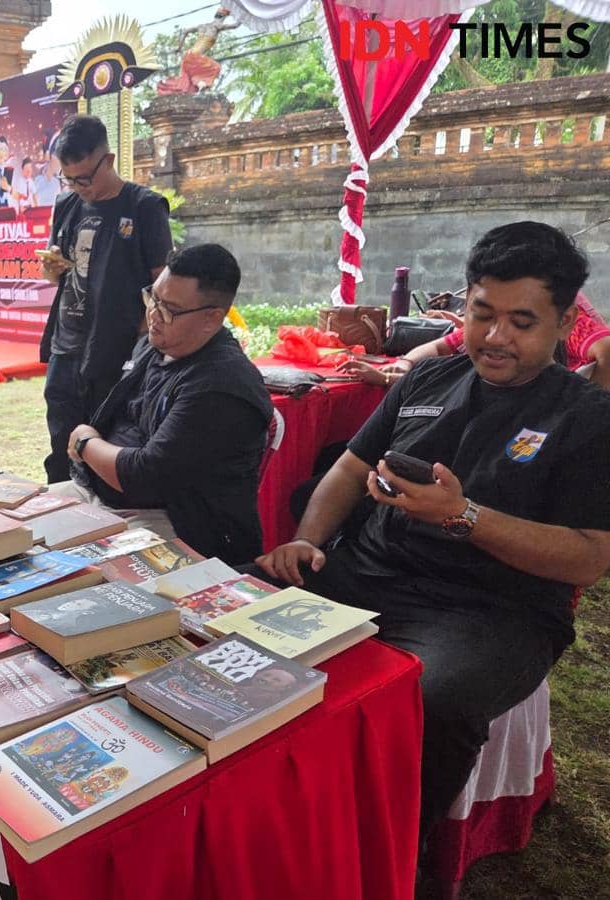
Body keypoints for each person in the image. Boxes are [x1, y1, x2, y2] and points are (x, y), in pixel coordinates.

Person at [254, 221, 610, 842]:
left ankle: (390, 850)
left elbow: (588, 559)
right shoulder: (426, 380)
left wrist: (463, 516)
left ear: (561, 327)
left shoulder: (587, 419)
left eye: (521, 323)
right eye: (482, 314)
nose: (495, 337)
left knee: (432, 697)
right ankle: (256, 816)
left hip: (492, 612)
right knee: (232, 610)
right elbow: (349, 468)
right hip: (367, 573)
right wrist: (307, 541)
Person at [56, 243, 272, 564]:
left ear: (212, 319)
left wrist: (86, 442)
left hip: (177, 521)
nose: (154, 315)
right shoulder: (156, 346)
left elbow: (143, 477)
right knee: (12, 532)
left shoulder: (221, 385)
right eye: (153, 298)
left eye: (169, 309)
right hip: (100, 492)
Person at [39, 114, 173, 484]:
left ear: (108, 160)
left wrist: (141, 350)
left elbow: (162, 288)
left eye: (86, 178)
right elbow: (67, 274)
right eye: (70, 179)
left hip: (115, 355)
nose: (80, 187)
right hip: (66, 350)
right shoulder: (67, 206)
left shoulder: (144, 207)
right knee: (60, 450)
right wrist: (53, 270)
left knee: (105, 451)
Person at [340, 290, 610, 389]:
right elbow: (440, 346)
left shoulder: (564, 317)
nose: (497, 335)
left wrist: (584, 406)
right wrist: (406, 364)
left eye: (522, 321)